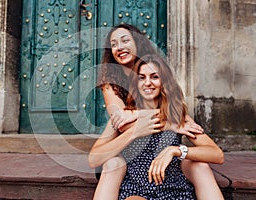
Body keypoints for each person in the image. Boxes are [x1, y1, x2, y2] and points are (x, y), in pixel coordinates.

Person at [89, 24, 224, 200]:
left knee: (201, 167)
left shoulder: (176, 113)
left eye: (154, 77)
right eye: (141, 78)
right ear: (134, 84)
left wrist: (176, 149)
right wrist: (164, 124)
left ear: (164, 83)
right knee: (115, 167)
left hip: (172, 185)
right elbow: (121, 123)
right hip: (136, 184)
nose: (147, 83)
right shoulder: (113, 90)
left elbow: (216, 154)